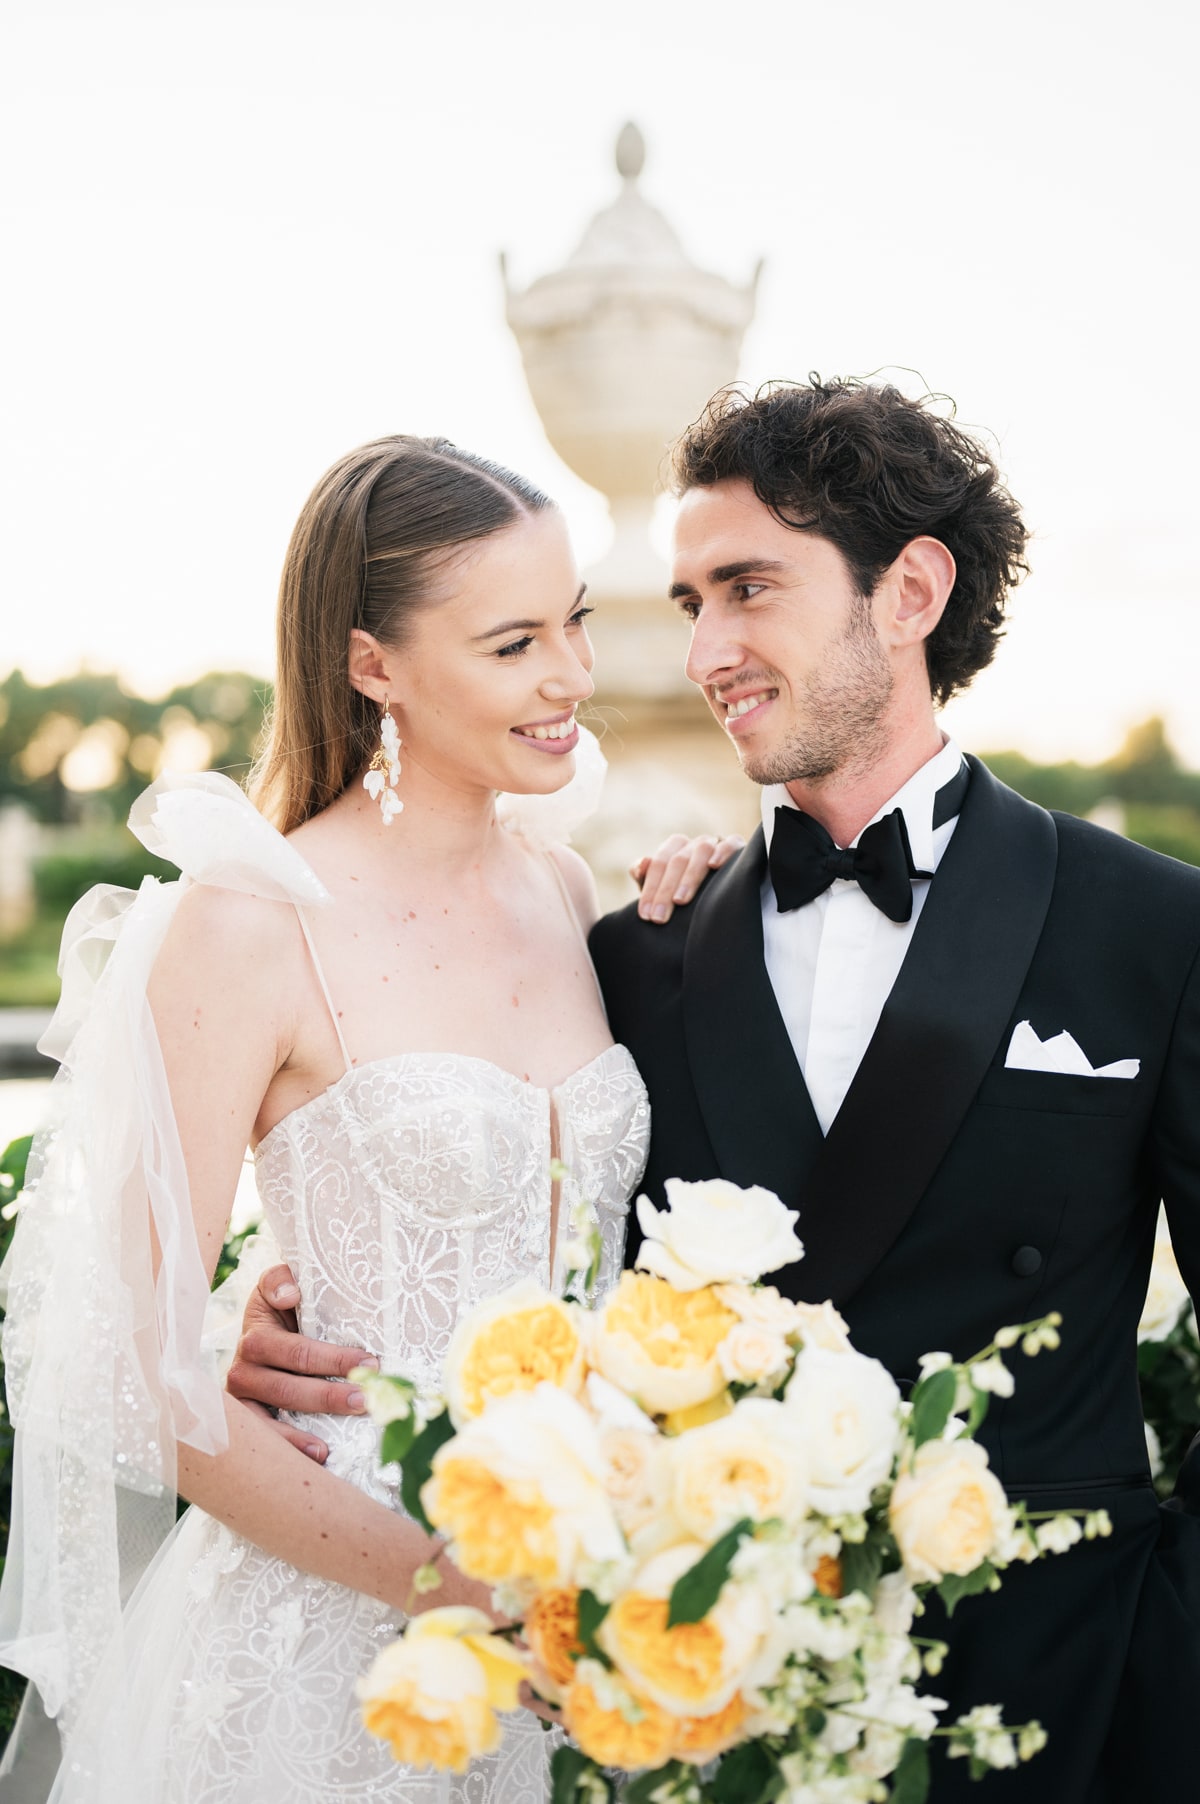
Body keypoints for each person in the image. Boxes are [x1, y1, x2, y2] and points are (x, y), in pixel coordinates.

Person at [237, 380, 1200, 1802]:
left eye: (748, 589)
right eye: (688, 601)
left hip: (1066, 1692)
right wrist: (268, 1305)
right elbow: (496, 1213)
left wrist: (1165, 1644)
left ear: (910, 592)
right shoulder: (634, 953)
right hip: (693, 1703)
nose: (704, 650)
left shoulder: (1153, 927)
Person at [0, 433, 733, 1804]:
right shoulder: (249, 923)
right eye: (514, 643)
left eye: (571, 622)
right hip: (337, 1631)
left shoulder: (569, 891)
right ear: (372, 663)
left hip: (593, 1619)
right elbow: (125, 1366)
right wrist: (463, 1590)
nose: (571, 676)